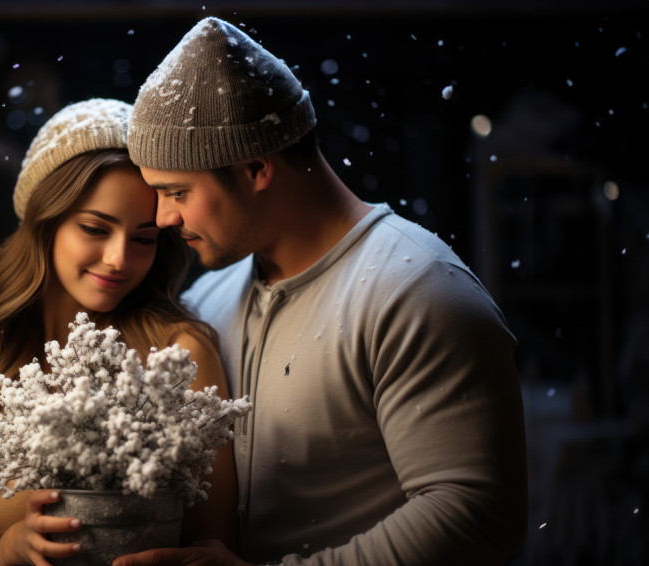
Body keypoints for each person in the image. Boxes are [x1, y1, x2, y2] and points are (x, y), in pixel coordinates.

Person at [116, 17, 528, 566]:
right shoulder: (206, 305)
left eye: (177, 192)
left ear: (257, 167)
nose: (164, 217)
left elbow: (477, 517)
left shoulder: (417, 290)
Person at [0, 98, 238, 566]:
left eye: (144, 238)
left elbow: (214, 548)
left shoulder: (177, 356)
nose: (118, 259)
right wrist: (8, 553)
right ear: (43, 224)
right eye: (95, 227)